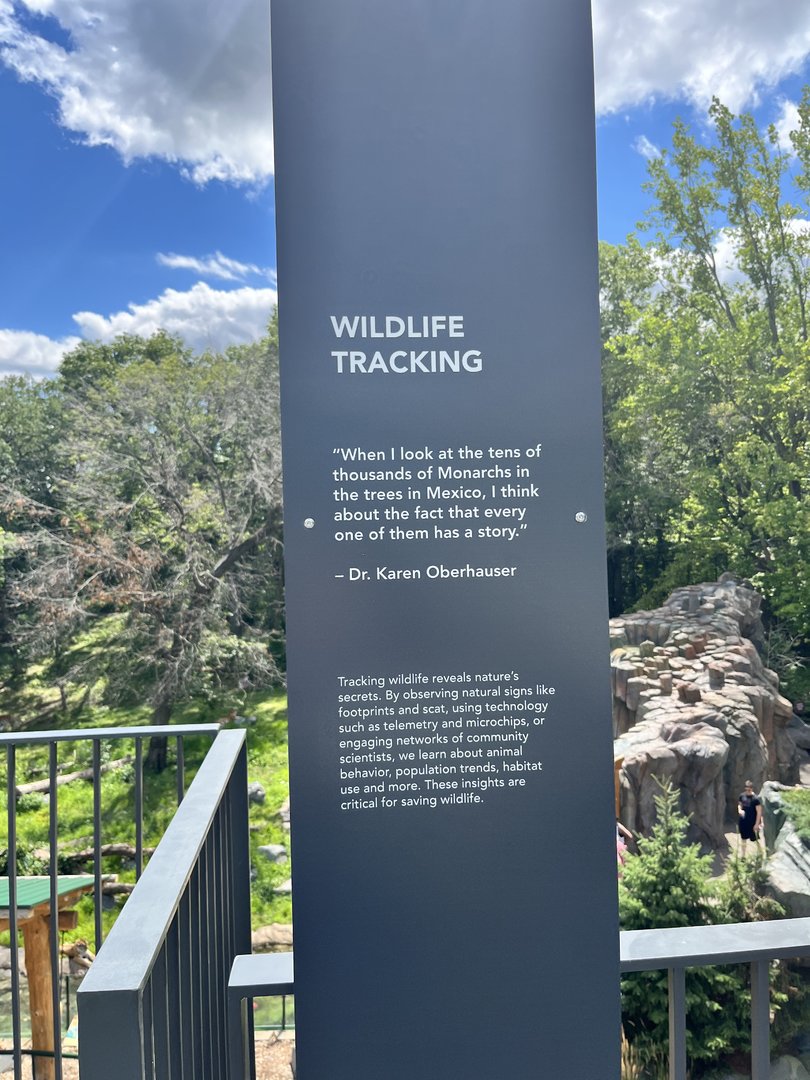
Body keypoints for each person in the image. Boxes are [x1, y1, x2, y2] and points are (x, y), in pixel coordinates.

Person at [737, 780, 763, 852]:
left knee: (755, 840)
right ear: (745, 788)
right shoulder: (742, 796)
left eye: (750, 787)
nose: (748, 789)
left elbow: (759, 812)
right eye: (747, 787)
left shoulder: (756, 799)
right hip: (743, 821)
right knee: (743, 839)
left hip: (752, 823)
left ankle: (760, 854)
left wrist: (757, 824)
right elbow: (739, 805)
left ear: (752, 788)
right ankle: (743, 855)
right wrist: (739, 810)